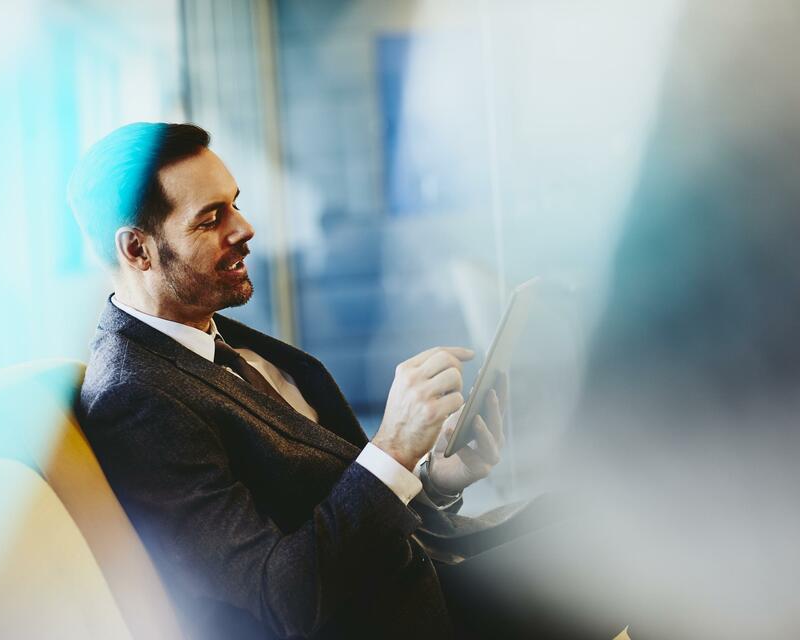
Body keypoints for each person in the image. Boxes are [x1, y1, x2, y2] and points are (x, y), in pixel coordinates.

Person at [68, 122, 538, 639]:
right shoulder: (136, 400)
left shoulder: (212, 334)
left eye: (236, 204)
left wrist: (434, 481)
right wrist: (393, 449)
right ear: (137, 249)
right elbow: (282, 596)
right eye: (210, 219)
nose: (244, 228)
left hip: (434, 578)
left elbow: (338, 510)